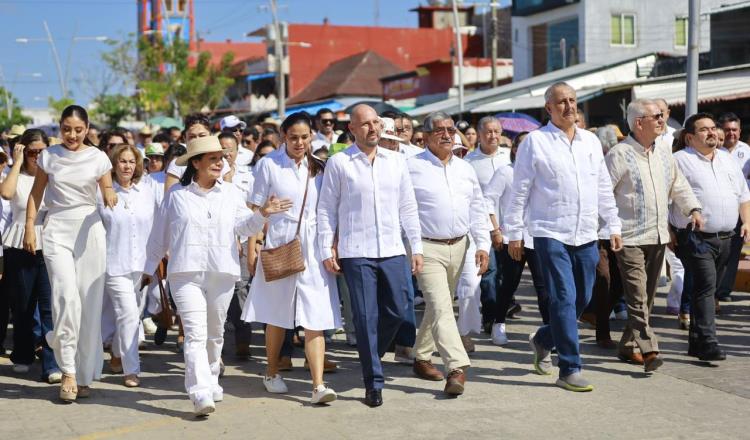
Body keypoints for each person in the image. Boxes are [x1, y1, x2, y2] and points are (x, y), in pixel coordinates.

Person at [145, 136, 292, 416]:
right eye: (212, 158)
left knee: (214, 333)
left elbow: (245, 228)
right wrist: (146, 271)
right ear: (196, 163)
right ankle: (199, 392)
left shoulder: (232, 194)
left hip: (222, 272)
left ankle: (211, 378)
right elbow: (158, 237)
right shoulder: (176, 195)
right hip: (184, 273)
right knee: (195, 333)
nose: (219, 162)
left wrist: (262, 214)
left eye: (220, 158)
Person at [504, 82, 622, 392]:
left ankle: (543, 339)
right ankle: (569, 367)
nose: (569, 106)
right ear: (549, 109)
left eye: (572, 100)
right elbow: (520, 191)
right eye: (561, 102)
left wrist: (613, 224)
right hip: (549, 231)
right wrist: (514, 232)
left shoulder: (591, 142)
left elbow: (602, 186)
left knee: (581, 299)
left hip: (585, 231)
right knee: (563, 298)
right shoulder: (535, 143)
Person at [317, 104, 423, 407]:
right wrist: (327, 248)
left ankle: (371, 349)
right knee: (364, 316)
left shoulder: (396, 161)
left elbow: (408, 206)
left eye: (376, 123)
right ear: (352, 129)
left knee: (400, 308)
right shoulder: (339, 163)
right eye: (365, 124)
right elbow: (326, 210)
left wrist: (416, 247)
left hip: (391, 248)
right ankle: (373, 381)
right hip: (356, 250)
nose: (372, 129)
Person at [241, 112, 341, 404]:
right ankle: (271, 371)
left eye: (305, 137)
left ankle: (318, 385)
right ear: (283, 136)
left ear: (312, 137)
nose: (299, 142)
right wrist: (253, 245)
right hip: (281, 245)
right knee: (276, 314)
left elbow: (328, 212)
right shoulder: (269, 165)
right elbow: (254, 206)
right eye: (293, 137)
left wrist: (331, 247)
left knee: (316, 315)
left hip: (315, 248)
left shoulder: (320, 169)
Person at [23, 105, 118, 402]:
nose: (72, 134)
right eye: (66, 129)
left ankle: (85, 372)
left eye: (78, 129)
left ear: (87, 127)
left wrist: (110, 193)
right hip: (56, 229)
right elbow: (36, 193)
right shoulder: (49, 156)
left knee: (88, 303)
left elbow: (107, 186)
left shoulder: (99, 157)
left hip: (90, 229)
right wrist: (29, 226)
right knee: (65, 297)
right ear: (59, 128)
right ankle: (68, 371)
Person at [605, 99, 702, 372]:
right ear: (639, 123)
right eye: (657, 116)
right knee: (636, 297)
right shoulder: (619, 154)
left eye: (662, 115)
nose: (663, 120)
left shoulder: (663, 151)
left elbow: (678, 184)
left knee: (646, 299)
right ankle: (649, 350)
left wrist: (693, 208)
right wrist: (610, 228)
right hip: (629, 237)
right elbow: (603, 194)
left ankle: (626, 346)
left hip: (658, 236)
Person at [407, 111, 490, 396]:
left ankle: (420, 356)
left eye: (450, 129)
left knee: (438, 305)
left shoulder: (465, 168)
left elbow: (478, 208)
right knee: (442, 307)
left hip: (461, 245)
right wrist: (412, 248)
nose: (446, 134)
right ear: (427, 136)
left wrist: (483, 244)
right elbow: (403, 211)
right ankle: (456, 367)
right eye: (439, 130)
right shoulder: (411, 167)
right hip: (426, 248)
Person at [670, 113, 750, 362]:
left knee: (709, 288)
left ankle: (696, 342)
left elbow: (743, 195)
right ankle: (708, 342)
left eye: (713, 128)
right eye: (704, 130)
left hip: (727, 237)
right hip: (695, 236)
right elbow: (665, 198)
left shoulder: (727, 160)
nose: (712, 133)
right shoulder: (679, 160)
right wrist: (669, 231)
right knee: (705, 286)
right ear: (690, 137)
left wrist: (747, 221)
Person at [0, 129, 61, 383]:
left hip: (49, 242)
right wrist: (16, 163)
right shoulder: (16, 175)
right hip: (18, 243)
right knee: (23, 305)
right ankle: (23, 354)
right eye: (32, 151)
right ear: (23, 150)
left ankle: (51, 364)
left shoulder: (54, 176)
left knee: (50, 307)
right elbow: (6, 193)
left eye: (41, 151)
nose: (36, 156)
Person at [99, 144, 158, 388]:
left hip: (140, 266)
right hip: (113, 264)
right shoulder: (102, 192)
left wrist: (154, 263)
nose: (127, 166)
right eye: (122, 161)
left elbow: (156, 227)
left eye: (131, 162)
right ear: (114, 164)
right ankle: (131, 369)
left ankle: (115, 356)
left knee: (125, 314)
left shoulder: (146, 191)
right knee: (129, 315)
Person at [483, 132, 550, 346]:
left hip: (538, 236)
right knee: (509, 283)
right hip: (512, 237)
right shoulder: (505, 172)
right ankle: (498, 323)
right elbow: (488, 201)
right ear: (514, 150)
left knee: (543, 286)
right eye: (523, 145)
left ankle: (551, 331)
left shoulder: (543, 174)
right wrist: (496, 230)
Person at [465, 116, 511, 331]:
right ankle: (491, 315)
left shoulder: (509, 158)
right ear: (479, 135)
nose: (493, 136)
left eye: (496, 131)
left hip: (511, 226)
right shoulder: (469, 162)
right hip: (484, 227)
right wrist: (492, 229)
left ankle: (503, 308)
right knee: (489, 271)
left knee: (506, 273)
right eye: (488, 132)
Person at [716, 112, 750, 303]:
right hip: (720, 207)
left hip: (740, 209)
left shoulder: (747, 151)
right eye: (727, 130)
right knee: (719, 249)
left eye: (734, 130)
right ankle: (712, 288)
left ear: (739, 131)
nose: (731, 134)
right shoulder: (714, 150)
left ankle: (723, 291)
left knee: (734, 251)